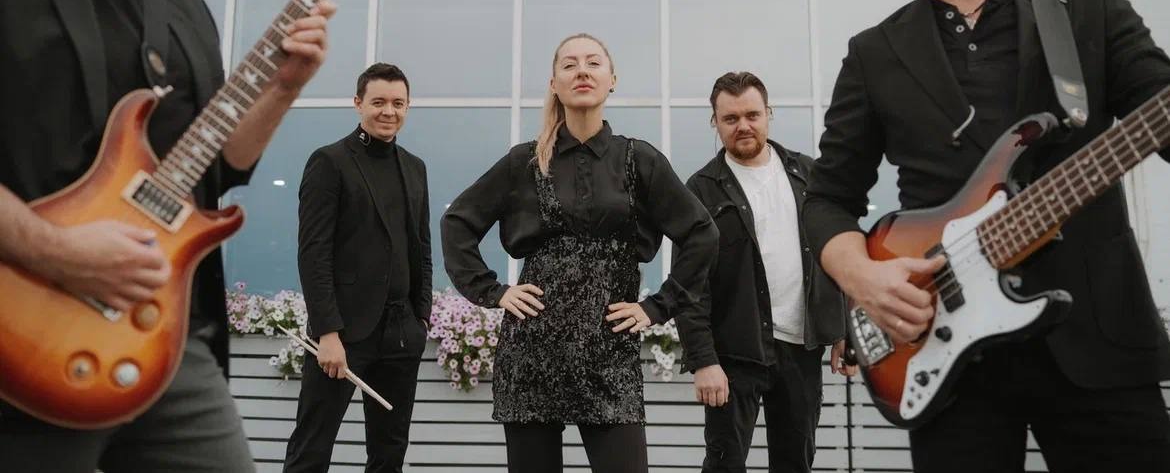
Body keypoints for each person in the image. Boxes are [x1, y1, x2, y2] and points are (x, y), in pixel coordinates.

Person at [0, 0, 335, 472]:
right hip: (23, 329)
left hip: (167, 343)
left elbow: (218, 169)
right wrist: (55, 251)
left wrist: (283, 88)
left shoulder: (185, 13)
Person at [804, 0, 1170, 471]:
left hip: (1098, 341)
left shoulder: (1089, 10)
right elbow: (828, 198)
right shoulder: (873, 55)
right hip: (947, 360)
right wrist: (863, 277)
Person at [440, 33, 717, 473]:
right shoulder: (524, 162)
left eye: (592, 62)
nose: (582, 71)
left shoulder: (639, 159)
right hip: (532, 351)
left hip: (609, 353)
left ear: (612, 80)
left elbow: (702, 233)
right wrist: (494, 291)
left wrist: (658, 307)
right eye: (569, 65)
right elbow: (457, 222)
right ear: (554, 84)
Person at [677, 71, 854, 473]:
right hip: (733, 354)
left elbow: (837, 254)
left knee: (796, 464)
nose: (743, 125)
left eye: (752, 115)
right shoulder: (700, 190)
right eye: (730, 118)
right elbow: (690, 286)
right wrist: (703, 361)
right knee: (724, 465)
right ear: (715, 122)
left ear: (768, 114)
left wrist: (844, 329)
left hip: (801, 348)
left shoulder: (809, 175)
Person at [283, 63, 432, 473]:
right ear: (358, 103)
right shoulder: (329, 162)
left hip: (401, 334)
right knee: (311, 448)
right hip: (344, 334)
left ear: (408, 106)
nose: (389, 111)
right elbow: (313, 253)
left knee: (389, 453)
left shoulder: (415, 167)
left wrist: (421, 317)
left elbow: (421, 247)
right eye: (379, 102)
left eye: (398, 103)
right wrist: (327, 332)